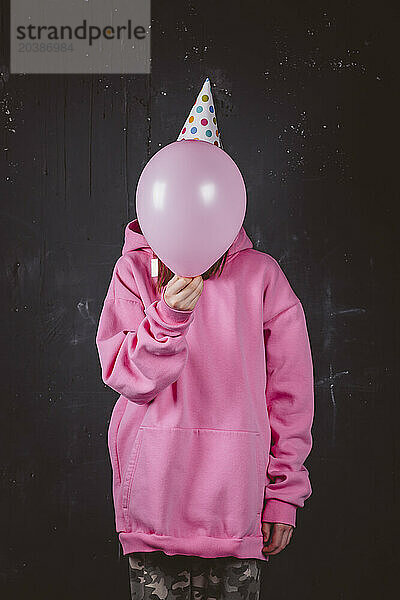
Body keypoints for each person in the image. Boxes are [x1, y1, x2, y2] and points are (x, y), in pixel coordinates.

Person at [95, 78, 314, 599]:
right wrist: (170, 313)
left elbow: (291, 393)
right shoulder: (134, 273)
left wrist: (281, 495)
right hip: (154, 496)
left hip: (234, 500)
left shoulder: (261, 276)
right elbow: (126, 375)